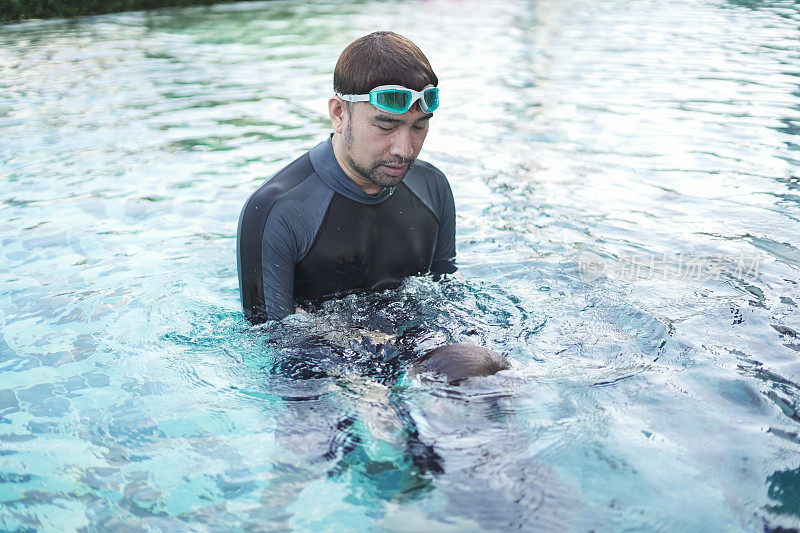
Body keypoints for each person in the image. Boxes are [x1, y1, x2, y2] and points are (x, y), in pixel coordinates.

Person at [237, 31, 456, 324]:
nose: (405, 150)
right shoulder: (276, 212)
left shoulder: (432, 187)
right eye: (386, 126)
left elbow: (449, 302)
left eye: (418, 128)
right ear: (339, 113)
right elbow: (269, 341)